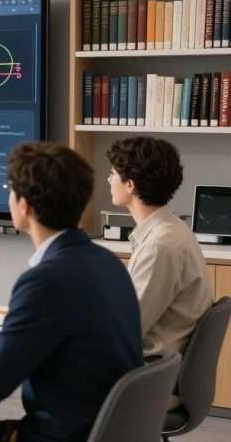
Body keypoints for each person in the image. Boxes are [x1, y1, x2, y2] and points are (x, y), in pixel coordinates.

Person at [0, 141, 143, 442]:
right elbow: (70, 340)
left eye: (11, 189)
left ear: (24, 206)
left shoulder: (44, 281)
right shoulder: (107, 262)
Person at [106, 136, 212, 407]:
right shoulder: (170, 231)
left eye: (113, 173)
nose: (108, 180)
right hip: (157, 369)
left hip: (148, 379)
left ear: (130, 184)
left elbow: (126, 328)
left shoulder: (161, 246)